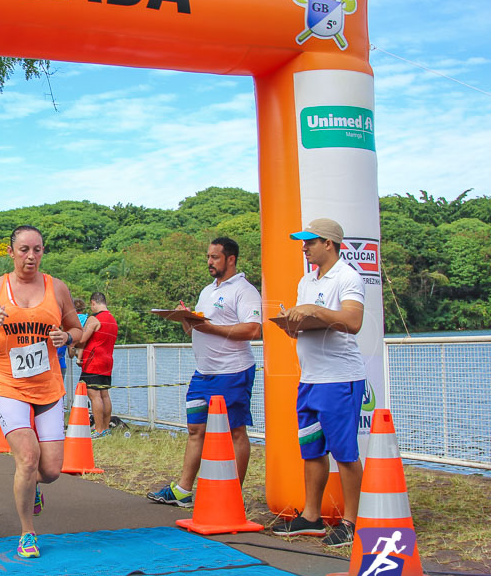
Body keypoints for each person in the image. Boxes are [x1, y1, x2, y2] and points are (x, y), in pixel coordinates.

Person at [0, 225, 83, 559]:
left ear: (43, 252)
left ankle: (35, 489)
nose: (31, 256)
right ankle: (27, 533)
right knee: (27, 458)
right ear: (12, 251)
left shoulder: (57, 289)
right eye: (24, 250)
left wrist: (68, 338)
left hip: (48, 387)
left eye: (38, 250)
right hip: (7, 384)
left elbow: (78, 329)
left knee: (51, 471)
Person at [147, 237, 262, 508]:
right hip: (203, 372)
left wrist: (211, 328)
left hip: (233, 371)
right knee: (195, 429)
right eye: (208, 257)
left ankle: (232, 494)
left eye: (215, 257)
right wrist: (185, 318)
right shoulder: (207, 291)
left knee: (235, 432)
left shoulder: (245, 291)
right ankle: (183, 490)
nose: (209, 262)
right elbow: (196, 329)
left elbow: (253, 329)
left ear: (230, 259)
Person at [274, 218, 365, 548]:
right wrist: (290, 324)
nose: (304, 246)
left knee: (345, 452)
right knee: (311, 449)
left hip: (340, 378)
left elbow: (353, 321)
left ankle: (352, 521)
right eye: (303, 241)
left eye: (310, 241)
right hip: (310, 378)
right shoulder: (306, 280)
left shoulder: (348, 276)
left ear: (329, 243)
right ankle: (312, 517)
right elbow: (304, 324)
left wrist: (317, 310)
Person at [77, 292, 118, 438]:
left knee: (94, 395)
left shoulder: (94, 319)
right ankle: (106, 428)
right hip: (107, 360)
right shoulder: (113, 319)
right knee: (104, 395)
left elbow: (82, 338)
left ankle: (99, 429)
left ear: (93, 303)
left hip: (94, 360)